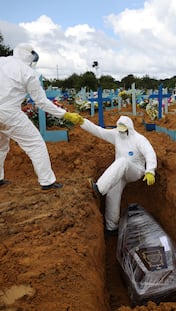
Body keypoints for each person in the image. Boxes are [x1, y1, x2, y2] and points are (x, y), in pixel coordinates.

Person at [0, 43, 84, 190]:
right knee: (35, 144)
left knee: (1, 146)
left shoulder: (2, 61)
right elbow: (41, 102)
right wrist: (65, 114)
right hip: (9, 113)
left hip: (6, 112)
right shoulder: (28, 72)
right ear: (30, 56)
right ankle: (47, 181)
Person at [80, 115, 157, 236]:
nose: (121, 133)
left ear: (129, 129)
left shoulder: (139, 139)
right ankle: (112, 228)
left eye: (123, 130)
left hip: (135, 171)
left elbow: (149, 153)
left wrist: (150, 171)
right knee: (112, 194)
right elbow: (98, 131)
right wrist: (82, 121)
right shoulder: (116, 134)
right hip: (120, 173)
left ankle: (99, 189)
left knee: (123, 161)